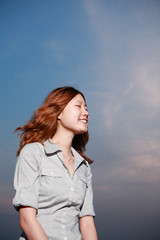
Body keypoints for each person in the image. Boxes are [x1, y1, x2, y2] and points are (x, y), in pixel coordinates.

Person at [13, 86, 98, 240]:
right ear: (59, 112)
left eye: (86, 108)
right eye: (78, 106)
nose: (86, 112)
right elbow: (26, 220)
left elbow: (87, 222)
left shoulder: (83, 167)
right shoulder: (33, 153)